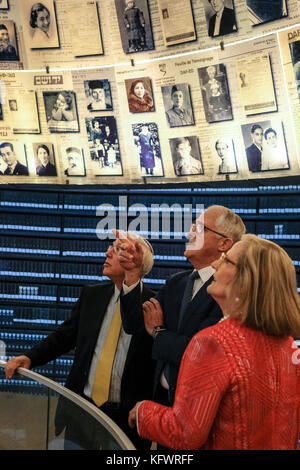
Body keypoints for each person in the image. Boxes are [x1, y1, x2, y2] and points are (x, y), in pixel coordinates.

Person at [128, 234, 300, 450]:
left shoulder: (212, 342)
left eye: (227, 260)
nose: (216, 263)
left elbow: (185, 433)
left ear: (246, 280)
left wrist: (143, 411)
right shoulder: (289, 347)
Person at [4, 232, 156, 450]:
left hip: (126, 421)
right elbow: (63, 337)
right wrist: (29, 357)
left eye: (118, 249)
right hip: (82, 411)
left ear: (137, 259)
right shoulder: (92, 295)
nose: (107, 253)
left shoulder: (153, 304)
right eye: (111, 247)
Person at [118, 206, 246, 413]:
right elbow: (135, 325)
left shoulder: (229, 291)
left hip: (200, 409)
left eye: (200, 228)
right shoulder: (176, 283)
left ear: (224, 243)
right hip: (162, 404)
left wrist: (159, 332)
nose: (190, 233)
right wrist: (133, 274)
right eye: (192, 226)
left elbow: (199, 353)